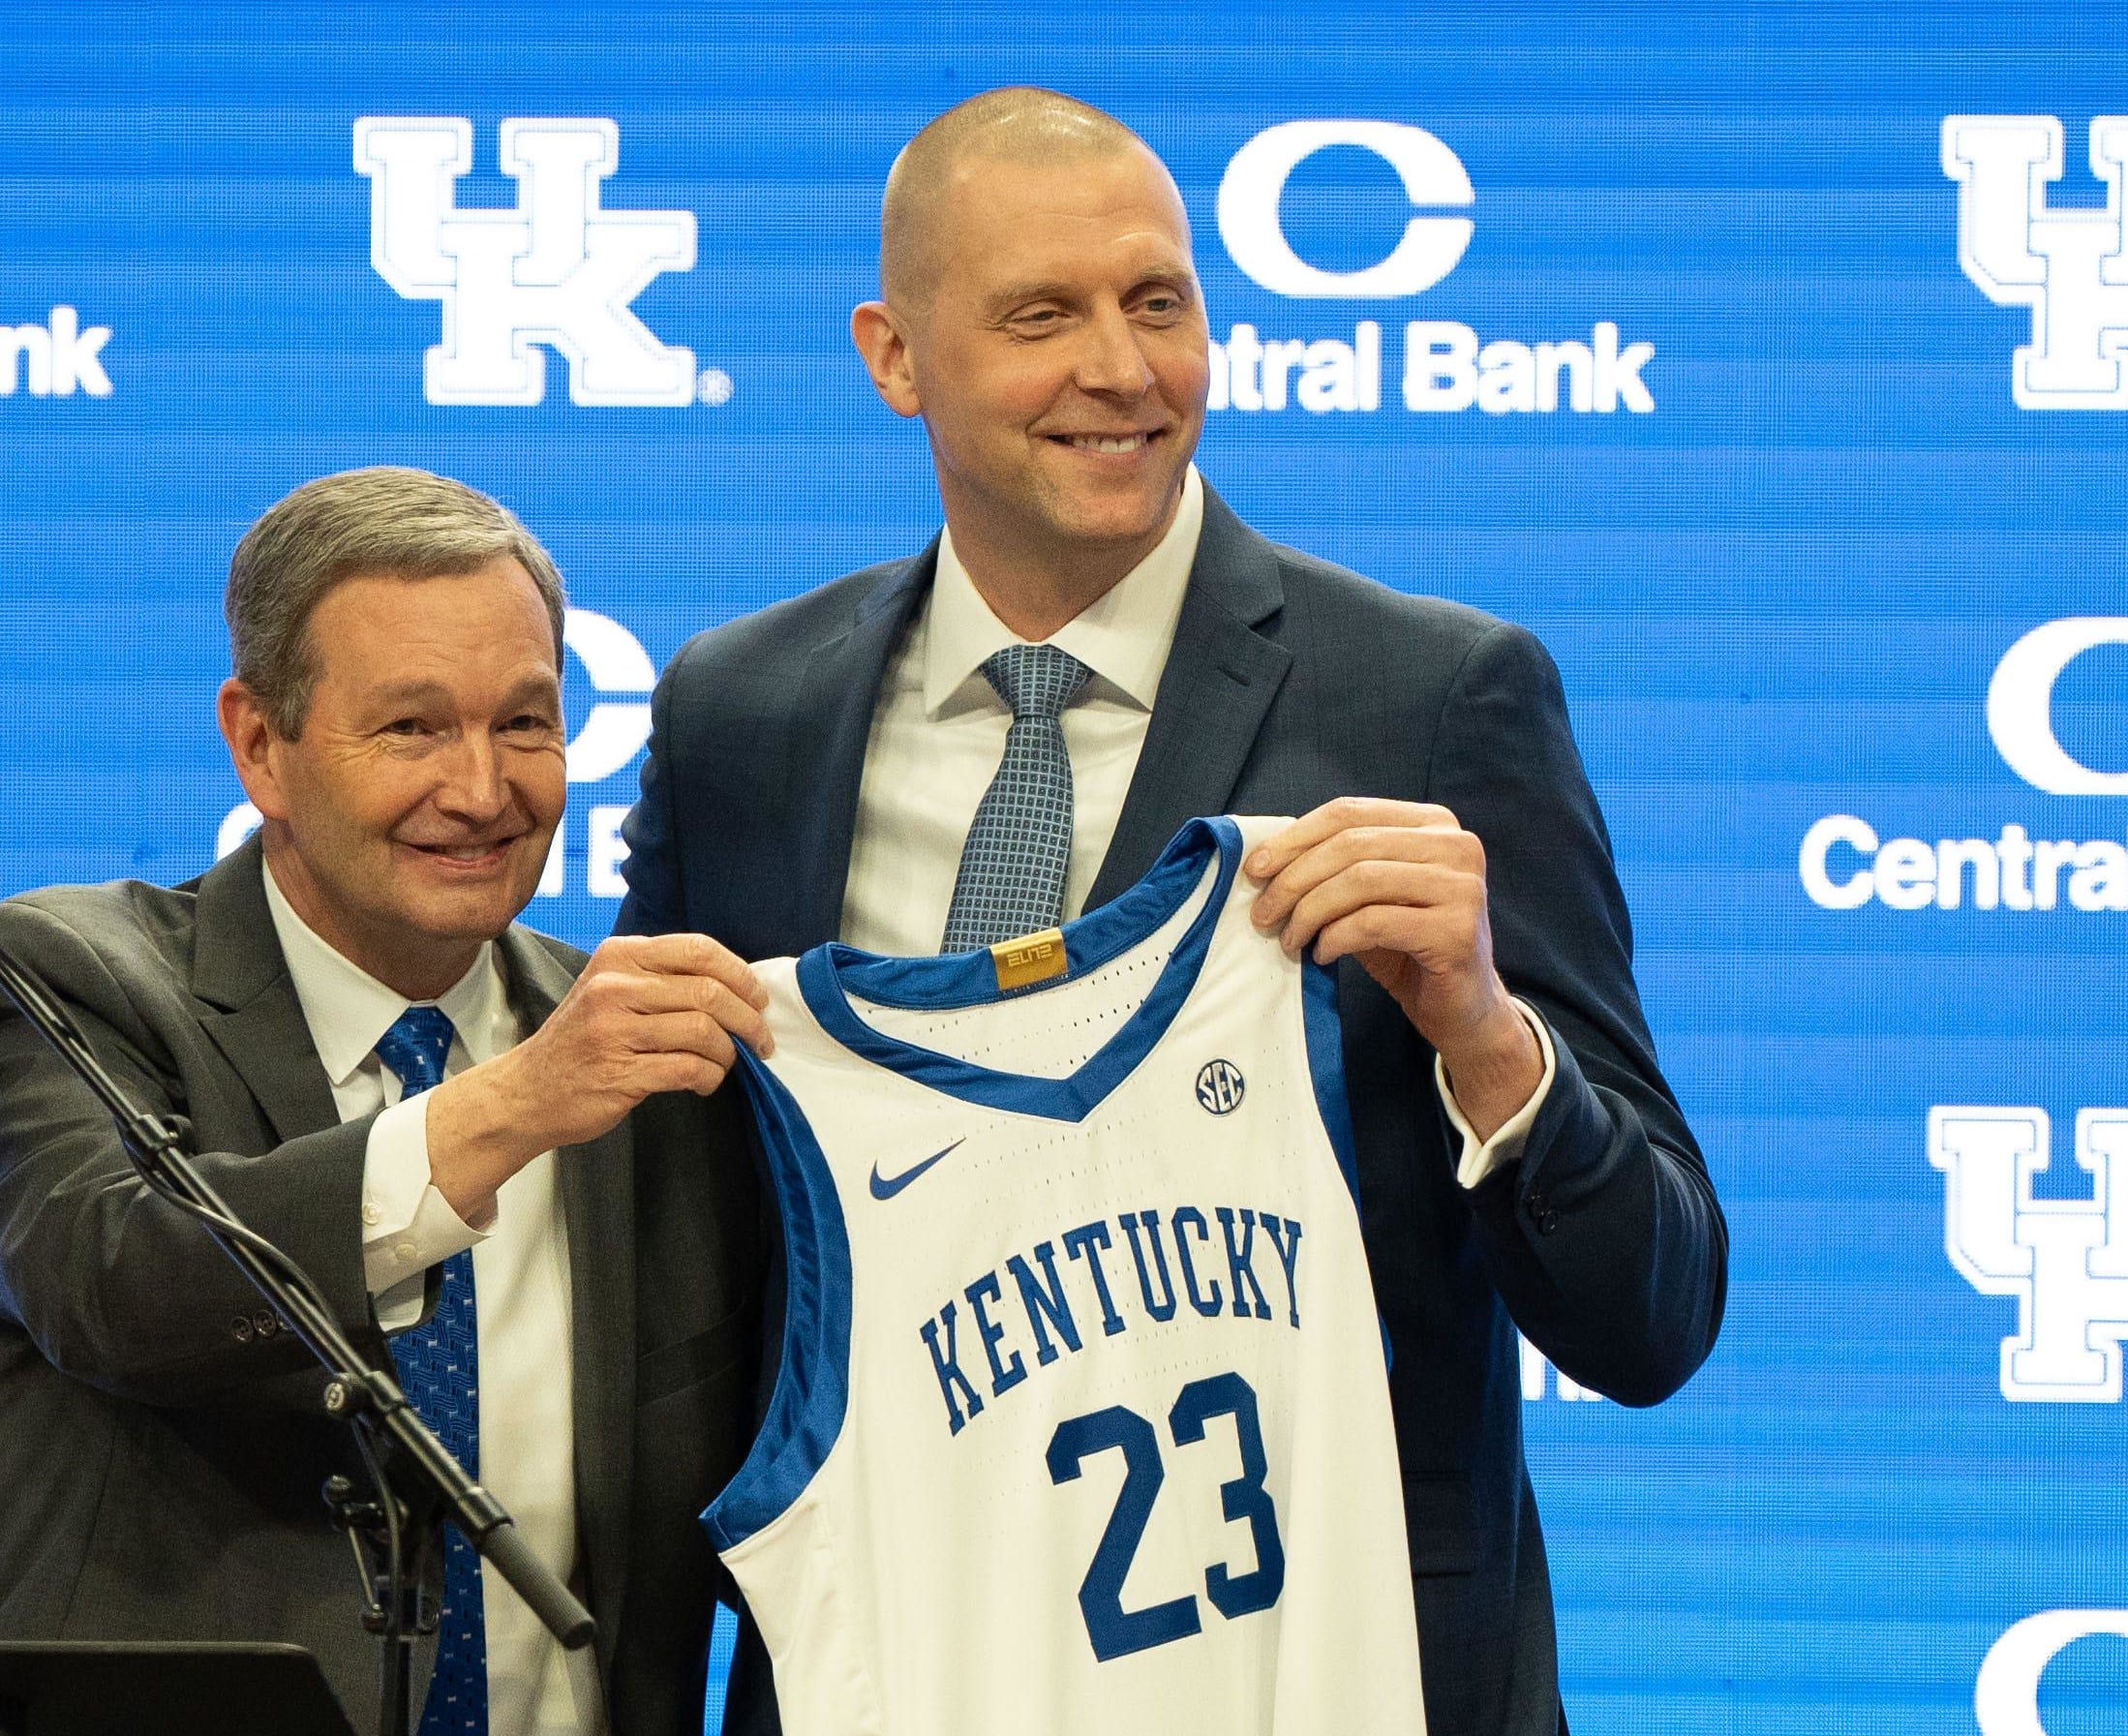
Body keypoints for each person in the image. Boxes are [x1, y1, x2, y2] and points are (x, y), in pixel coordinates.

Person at [608, 89, 1725, 1734]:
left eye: (1159, 303)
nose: (1122, 370)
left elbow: (1656, 1314)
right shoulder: (740, 718)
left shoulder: (1433, 700)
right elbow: (685, 1269)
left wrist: (1488, 1036)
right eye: (1040, 316)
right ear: (894, 356)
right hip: (889, 1668)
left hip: (1326, 1675)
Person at [0, 466, 774, 1736]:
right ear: (260, 743)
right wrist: (512, 1104)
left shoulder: (653, 1072)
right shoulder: (55, 979)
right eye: (413, 728)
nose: (483, 790)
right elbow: (119, 1279)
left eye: (527, 724)